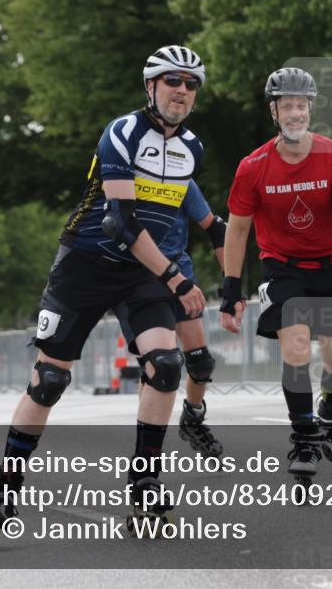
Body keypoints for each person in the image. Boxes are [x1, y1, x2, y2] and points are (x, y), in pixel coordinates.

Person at [0, 45, 209, 551]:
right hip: (85, 263)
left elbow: (174, 215)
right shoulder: (121, 133)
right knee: (50, 379)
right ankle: (5, 485)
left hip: (141, 272)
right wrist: (177, 278)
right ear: (151, 86)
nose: (182, 91)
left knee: (166, 365)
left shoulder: (192, 148)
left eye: (191, 84)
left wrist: (206, 246)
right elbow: (121, 222)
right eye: (172, 81)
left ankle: (144, 484)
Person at [218, 67, 332, 491]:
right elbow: (239, 230)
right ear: (275, 112)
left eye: (302, 105)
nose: (296, 112)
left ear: (310, 109)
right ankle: (304, 437)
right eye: (287, 105)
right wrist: (231, 288)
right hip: (282, 267)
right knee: (298, 345)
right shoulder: (253, 167)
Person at [113, 178, 227, 458]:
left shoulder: (181, 180)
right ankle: (147, 452)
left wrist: (231, 285)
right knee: (159, 365)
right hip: (136, 278)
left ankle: (193, 418)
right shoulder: (120, 178)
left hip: (179, 270)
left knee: (201, 363)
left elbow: (215, 228)